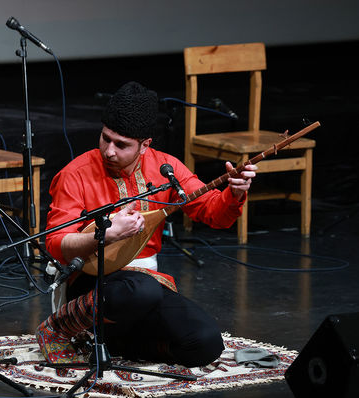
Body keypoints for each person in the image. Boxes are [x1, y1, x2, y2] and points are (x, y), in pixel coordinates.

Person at [36, 81, 257, 367]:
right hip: (93, 282)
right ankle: (59, 326)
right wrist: (106, 236)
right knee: (139, 290)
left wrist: (235, 192)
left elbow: (213, 214)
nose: (109, 151)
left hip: (145, 283)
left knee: (205, 344)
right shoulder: (75, 174)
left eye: (122, 144)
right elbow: (55, 245)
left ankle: (112, 345)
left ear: (145, 145)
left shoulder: (167, 167)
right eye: (105, 138)